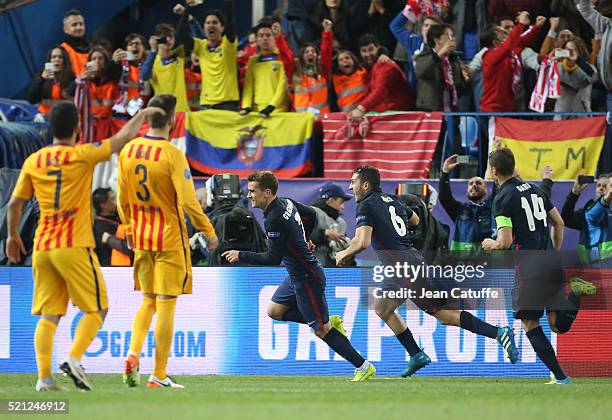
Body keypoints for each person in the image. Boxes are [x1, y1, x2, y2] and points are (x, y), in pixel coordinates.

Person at [5, 101, 162, 391]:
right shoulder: (82, 155)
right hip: (72, 245)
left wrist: (13, 236)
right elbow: (121, 139)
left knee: (48, 315)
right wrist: (141, 115)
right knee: (98, 308)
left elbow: (15, 204)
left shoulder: (34, 160)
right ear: (78, 129)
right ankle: (74, 359)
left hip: (41, 247)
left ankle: (44, 378)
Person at [335, 166, 519, 377]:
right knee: (383, 309)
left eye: (353, 182)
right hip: (404, 263)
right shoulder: (392, 200)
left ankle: (499, 333)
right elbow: (416, 220)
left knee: (443, 315)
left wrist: (344, 254)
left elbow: (362, 241)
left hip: (403, 267)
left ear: (365, 185)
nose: (351, 186)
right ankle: (416, 355)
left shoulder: (366, 205)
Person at [222, 171, 376, 382]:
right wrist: (308, 239)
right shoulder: (286, 202)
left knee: (321, 331)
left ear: (267, 192)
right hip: (296, 276)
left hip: (307, 278)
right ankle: (327, 320)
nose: (249, 195)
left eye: (252, 191)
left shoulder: (274, 219)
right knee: (274, 311)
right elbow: (311, 215)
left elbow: (272, 258)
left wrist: (241, 255)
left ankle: (363, 366)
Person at [117, 94, 219, 389]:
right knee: (166, 304)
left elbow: (122, 198)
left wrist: (131, 230)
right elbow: (188, 201)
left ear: (148, 117)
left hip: (142, 238)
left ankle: (133, 354)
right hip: (169, 239)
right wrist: (208, 231)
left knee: (147, 301)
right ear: (173, 119)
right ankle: (158, 374)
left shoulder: (128, 150)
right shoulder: (172, 154)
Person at [482, 148, 581, 385]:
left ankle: (560, 378)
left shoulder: (502, 199)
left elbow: (504, 242)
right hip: (551, 261)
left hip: (529, 267)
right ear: (514, 165)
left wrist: (491, 243)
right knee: (557, 325)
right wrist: (554, 251)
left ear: (494, 171)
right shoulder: (535, 189)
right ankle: (574, 294)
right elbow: (559, 222)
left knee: (529, 323)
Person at [176, 0, 239, 110]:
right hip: (206, 104)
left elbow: (230, 24)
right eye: (207, 23)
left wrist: (229, 3)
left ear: (222, 28)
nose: (211, 25)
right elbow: (180, 36)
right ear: (204, 27)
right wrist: (187, 10)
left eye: (215, 23)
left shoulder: (228, 45)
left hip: (227, 104)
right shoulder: (201, 46)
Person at [350, 34, 414, 122]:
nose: (368, 54)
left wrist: (361, 109)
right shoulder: (370, 68)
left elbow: (380, 90)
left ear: (378, 48)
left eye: (371, 49)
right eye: (364, 51)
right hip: (392, 114)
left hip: (398, 117)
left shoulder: (384, 65)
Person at [439, 154, 493, 255]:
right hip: (460, 263)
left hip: (487, 263)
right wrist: (445, 172)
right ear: (467, 191)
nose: (474, 185)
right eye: (471, 183)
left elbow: (499, 186)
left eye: (478, 183)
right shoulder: (458, 210)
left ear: (486, 190)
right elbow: (444, 197)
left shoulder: (492, 208)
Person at [414, 24, 469, 112]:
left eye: (453, 35)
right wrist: (439, 55)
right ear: (437, 40)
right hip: (431, 109)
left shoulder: (453, 58)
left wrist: (467, 77)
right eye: (448, 35)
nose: (452, 39)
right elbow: (420, 71)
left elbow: (459, 84)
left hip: (451, 108)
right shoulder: (425, 55)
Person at [239, 22, 289, 117]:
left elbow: (282, 85)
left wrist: (272, 106)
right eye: (261, 36)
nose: (265, 38)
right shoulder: (252, 61)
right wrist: (246, 106)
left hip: (278, 112)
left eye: (268, 35)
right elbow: (248, 86)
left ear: (274, 38)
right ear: (257, 40)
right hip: (258, 111)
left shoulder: (281, 58)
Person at [562, 173, 611, 268]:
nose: (601, 188)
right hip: (586, 267)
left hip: (607, 268)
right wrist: (574, 193)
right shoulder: (587, 211)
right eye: (598, 185)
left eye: (605, 186)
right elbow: (565, 219)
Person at [389, 6, 443, 90]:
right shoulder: (414, 41)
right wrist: (411, 6)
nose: (428, 28)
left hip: (435, 94)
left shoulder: (444, 47)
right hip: (415, 91)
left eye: (432, 26)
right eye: (426, 25)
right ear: (422, 29)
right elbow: (395, 26)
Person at [141, 23, 190, 113]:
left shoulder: (179, 55)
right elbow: (144, 76)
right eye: (164, 37)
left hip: (182, 111)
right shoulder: (152, 61)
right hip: (162, 112)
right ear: (157, 40)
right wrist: (153, 50)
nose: (167, 40)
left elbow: (184, 33)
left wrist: (186, 12)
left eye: (171, 37)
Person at [552, 37, 598, 118]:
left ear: (579, 51)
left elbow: (594, 77)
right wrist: (550, 62)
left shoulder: (588, 67)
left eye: (572, 50)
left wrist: (577, 60)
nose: (568, 53)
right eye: (566, 50)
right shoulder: (558, 67)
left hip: (581, 114)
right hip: (562, 114)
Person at [310, 182, 352, 267]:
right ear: (331, 200)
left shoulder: (341, 223)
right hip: (315, 267)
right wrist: (323, 233)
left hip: (336, 268)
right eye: (341, 202)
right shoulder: (312, 213)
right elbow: (300, 237)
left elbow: (343, 247)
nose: (343, 207)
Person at [111, 33, 150, 117]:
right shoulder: (119, 65)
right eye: (130, 44)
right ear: (126, 50)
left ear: (143, 48)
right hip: (122, 113)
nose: (134, 46)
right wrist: (113, 62)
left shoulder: (150, 66)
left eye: (137, 43)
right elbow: (108, 75)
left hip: (142, 112)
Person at [28, 46, 75, 116]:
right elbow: (32, 99)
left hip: (64, 119)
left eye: (60, 57)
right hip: (45, 119)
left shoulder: (71, 78)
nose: (57, 59)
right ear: (49, 60)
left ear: (65, 60)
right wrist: (41, 79)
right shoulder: (41, 76)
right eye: (53, 57)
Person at [75, 46, 120, 119]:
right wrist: (82, 79)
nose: (97, 61)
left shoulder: (112, 80)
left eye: (100, 58)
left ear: (105, 61)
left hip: (109, 122)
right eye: (94, 59)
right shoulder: (84, 79)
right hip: (90, 123)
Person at [93, 188, 132, 267]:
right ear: (103, 206)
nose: (116, 201)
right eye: (113, 199)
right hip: (112, 270)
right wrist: (109, 239)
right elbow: (127, 248)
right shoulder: (101, 227)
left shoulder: (116, 217)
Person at [60, 9, 90, 77]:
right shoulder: (61, 51)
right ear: (65, 29)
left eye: (81, 24)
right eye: (74, 25)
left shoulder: (93, 47)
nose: (79, 27)